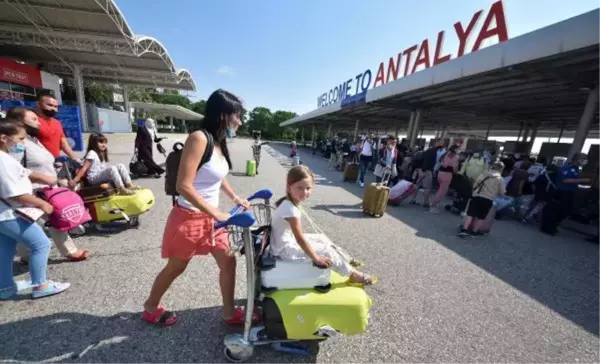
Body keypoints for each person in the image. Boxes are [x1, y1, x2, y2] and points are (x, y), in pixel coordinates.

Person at [142, 89, 252, 327]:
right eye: (237, 116)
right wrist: (217, 213)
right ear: (223, 115)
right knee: (176, 268)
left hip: (212, 220)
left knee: (228, 262)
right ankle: (150, 307)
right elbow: (184, 185)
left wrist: (234, 197)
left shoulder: (218, 141)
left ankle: (229, 312)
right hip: (189, 218)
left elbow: (217, 175)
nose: (240, 122)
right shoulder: (199, 138)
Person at [6, 107, 88, 262]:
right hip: (31, 191)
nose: (39, 122)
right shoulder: (18, 143)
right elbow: (12, 169)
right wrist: (41, 177)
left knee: (46, 220)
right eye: (33, 119)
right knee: (32, 223)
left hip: (46, 189)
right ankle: (33, 259)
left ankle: (29, 255)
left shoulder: (33, 140)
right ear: (19, 122)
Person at [0, 118, 70, 300]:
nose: (23, 143)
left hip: (3, 215)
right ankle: (41, 285)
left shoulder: (5, 157)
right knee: (41, 244)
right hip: (10, 214)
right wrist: (42, 204)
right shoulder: (2, 161)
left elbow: (24, 173)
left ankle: (5, 287)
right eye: (21, 138)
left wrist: (45, 178)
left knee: (6, 249)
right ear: (3, 138)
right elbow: (13, 194)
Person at [272, 165, 376, 284]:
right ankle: (353, 274)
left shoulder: (289, 202)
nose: (304, 192)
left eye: (308, 188)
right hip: (284, 250)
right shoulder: (290, 209)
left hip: (284, 243)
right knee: (326, 250)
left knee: (322, 238)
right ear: (289, 187)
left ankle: (346, 261)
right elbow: (299, 238)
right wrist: (316, 258)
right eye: (299, 188)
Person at [70, 133, 137, 195]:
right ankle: (121, 189)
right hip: (93, 178)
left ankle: (129, 184)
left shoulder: (100, 153)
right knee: (112, 168)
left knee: (120, 166)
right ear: (94, 143)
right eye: (101, 142)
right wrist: (74, 181)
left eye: (105, 143)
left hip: (99, 175)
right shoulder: (92, 153)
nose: (104, 145)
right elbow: (84, 168)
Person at [540, 153, 590, 236]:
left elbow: (573, 181)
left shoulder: (577, 169)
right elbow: (565, 180)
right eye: (583, 158)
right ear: (577, 159)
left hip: (570, 192)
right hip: (562, 192)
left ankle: (553, 225)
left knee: (566, 211)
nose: (585, 161)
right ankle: (548, 226)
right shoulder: (567, 168)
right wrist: (583, 180)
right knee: (556, 210)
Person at [459, 161, 506, 237]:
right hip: (489, 199)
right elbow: (502, 192)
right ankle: (474, 232)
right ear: (501, 169)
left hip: (478, 196)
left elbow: (476, 183)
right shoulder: (500, 179)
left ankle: (464, 229)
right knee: (481, 216)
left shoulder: (484, 174)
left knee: (470, 213)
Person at [34, 93, 76, 160]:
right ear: (38, 104)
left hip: (55, 162)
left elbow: (64, 144)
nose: (53, 109)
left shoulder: (57, 123)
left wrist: (75, 159)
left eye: (56, 106)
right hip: (39, 164)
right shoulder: (32, 121)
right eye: (49, 105)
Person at [410, 140, 443, 207]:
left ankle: (413, 199)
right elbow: (427, 161)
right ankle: (426, 202)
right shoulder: (432, 151)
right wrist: (423, 170)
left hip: (421, 169)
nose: (442, 144)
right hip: (425, 170)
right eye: (441, 143)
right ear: (436, 143)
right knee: (427, 187)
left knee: (417, 185)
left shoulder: (430, 150)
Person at [430, 145, 460, 213]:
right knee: (442, 192)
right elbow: (455, 169)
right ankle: (433, 205)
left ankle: (436, 203)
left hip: (440, 173)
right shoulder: (455, 157)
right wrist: (458, 173)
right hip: (447, 175)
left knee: (440, 189)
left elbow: (439, 163)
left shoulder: (445, 154)